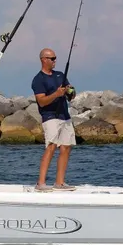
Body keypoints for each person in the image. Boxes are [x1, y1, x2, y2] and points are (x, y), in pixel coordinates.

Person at [31, 47, 76, 191]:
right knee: (51, 146)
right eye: (52, 58)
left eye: (55, 58)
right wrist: (56, 94)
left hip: (65, 116)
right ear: (43, 60)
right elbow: (42, 101)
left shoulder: (60, 75)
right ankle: (41, 183)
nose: (55, 61)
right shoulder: (38, 80)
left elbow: (71, 95)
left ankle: (60, 182)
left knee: (66, 147)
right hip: (50, 117)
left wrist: (70, 92)